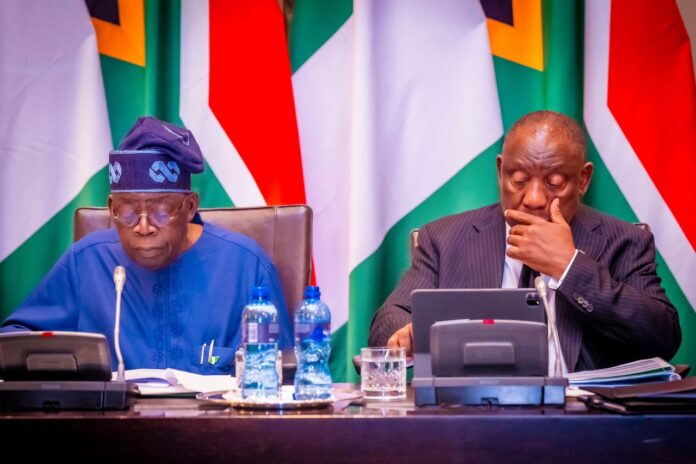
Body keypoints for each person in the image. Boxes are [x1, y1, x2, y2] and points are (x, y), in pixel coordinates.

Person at [368, 110, 681, 373]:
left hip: (585, 418)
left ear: (583, 180)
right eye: (518, 180)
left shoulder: (625, 241)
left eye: (554, 183)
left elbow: (663, 338)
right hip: (474, 413)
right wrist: (405, 334)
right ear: (500, 171)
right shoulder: (444, 238)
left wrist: (570, 267)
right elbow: (388, 320)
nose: (533, 199)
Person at [1, 116, 292, 374]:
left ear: (190, 207)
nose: (143, 228)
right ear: (111, 207)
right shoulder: (87, 261)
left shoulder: (246, 266)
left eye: (161, 212)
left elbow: (282, 372)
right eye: (127, 212)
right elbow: (14, 342)